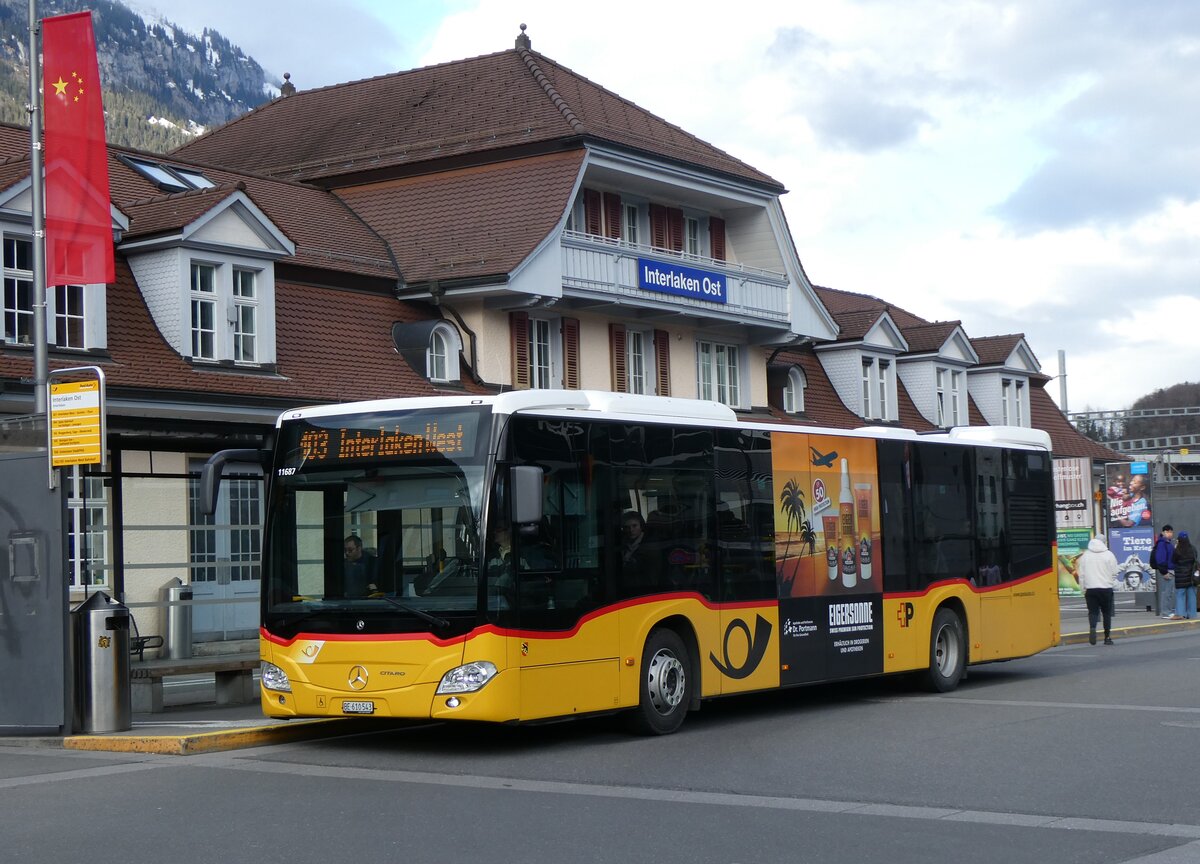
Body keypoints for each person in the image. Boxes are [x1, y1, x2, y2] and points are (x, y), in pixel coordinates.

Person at [1075, 535, 1119, 645]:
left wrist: (1083, 588)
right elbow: (1115, 572)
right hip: (1106, 588)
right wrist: (1110, 581)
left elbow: (1082, 575)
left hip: (1091, 588)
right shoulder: (1109, 555)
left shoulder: (1085, 556)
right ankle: (1107, 637)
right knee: (1106, 613)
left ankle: (1093, 627)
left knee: (1093, 611)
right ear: (1104, 542)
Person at [1171, 530, 1197, 620]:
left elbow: (1173, 561)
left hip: (1180, 576)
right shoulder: (1193, 548)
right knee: (1192, 595)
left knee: (1180, 595)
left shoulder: (1177, 550)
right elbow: (1195, 559)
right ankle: (1192, 614)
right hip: (1191, 576)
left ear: (1179, 539)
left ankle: (1180, 614)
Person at [1151, 524, 1175, 618]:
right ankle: (1166, 612)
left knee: (1168, 592)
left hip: (1169, 569)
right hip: (1167, 570)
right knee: (1167, 592)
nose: (1170, 534)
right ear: (1163, 532)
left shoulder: (1167, 543)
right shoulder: (1163, 543)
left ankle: (1167, 611)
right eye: (1168, 532)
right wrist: (1164, 572)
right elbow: (1161, 559)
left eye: (1171, 532)